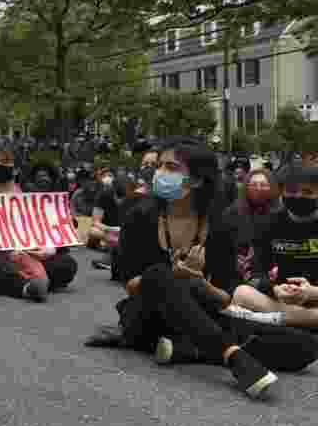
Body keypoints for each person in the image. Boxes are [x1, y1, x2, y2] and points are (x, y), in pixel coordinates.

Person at [116, 138, 281, 399]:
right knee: (158, 275)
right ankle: (233, 356)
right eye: (159, 166)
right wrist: (174, 276)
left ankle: (188, 350)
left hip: (200, 313)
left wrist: (199, 281)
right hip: (148, 318)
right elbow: (131, 285)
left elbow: (226, 297)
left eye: (171, 167)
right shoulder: (140, 216)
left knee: (302, 347)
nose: (159, 173)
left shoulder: (219, 225)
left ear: (196, 179)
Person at [0, 146, 78, 301]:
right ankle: (25, 288)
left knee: (67, 264)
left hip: (26, 253)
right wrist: (3, 245)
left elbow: (42, 228)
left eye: (5, 162)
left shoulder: (26, 191)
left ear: (16, 169)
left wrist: (46, 248)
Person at [230, 165, 318, 328]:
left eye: (307, 192)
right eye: (291, 191)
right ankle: (302, 319)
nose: (299, 196)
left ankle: (282, 318)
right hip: (278, 298)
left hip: (314, 300)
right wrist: (274, 289)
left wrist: (312, 292)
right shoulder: (267, 223)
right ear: (281, 192)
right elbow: (251, 271)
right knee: (241, 293)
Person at [222, 168, 280, 289]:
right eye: (253, 184)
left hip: (273, 276)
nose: (258, 188)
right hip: (239, 277)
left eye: (263, 184)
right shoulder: (232, 213)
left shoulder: (280, 213)